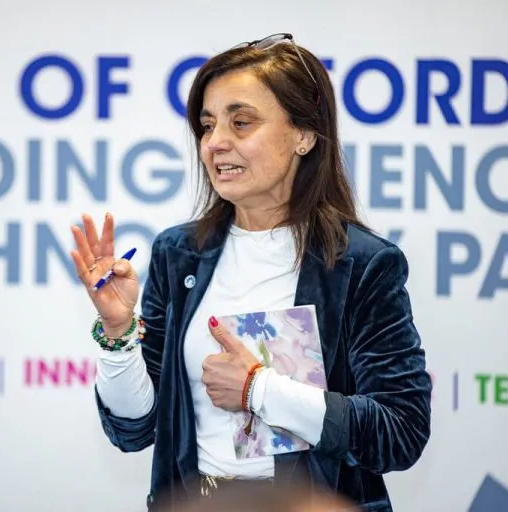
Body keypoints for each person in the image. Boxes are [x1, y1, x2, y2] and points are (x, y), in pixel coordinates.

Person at [70, 33, 432, 511]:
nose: (216, 143)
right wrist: (118, 333)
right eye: (207, 126)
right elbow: (134, 429)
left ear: (304, 135)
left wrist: (259, 388)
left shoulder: (361, 264)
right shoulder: (180, 254)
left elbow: (400, 432)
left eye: (241, 122)